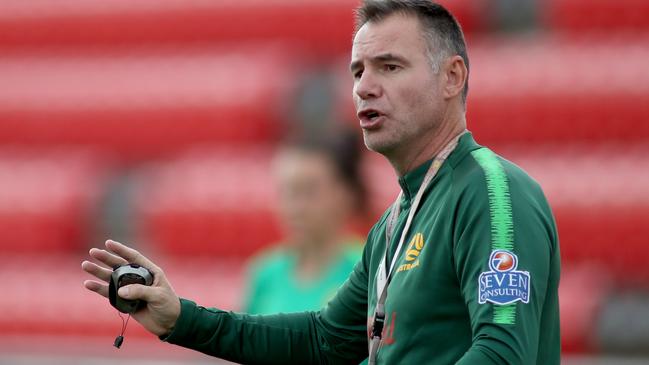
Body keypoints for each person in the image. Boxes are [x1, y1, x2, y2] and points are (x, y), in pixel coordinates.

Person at [82, 1, 560, 364]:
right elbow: (324, 339)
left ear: (452, 77)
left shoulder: (493, 192)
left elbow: (502, 353)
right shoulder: (395, 223)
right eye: (358, 70)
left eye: (390, 67)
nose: (364, 86)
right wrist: (181, 319)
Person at [244, 131, 365, 314]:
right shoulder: (265, 273)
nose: (295, 207)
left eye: (309, 192)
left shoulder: (366, 269)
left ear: (347, 193)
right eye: (287, 191)